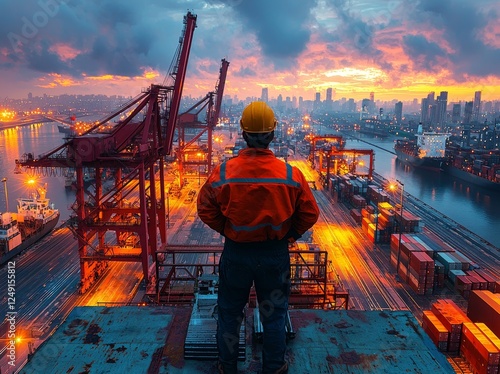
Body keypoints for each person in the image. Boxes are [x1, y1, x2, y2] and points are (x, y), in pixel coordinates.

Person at [197, 101, 319, 374]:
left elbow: (204, 208)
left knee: (230, 314)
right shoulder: (291, 175)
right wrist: (290, 234)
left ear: (243, 133)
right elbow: (310, 213)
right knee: (274, 314)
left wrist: (227, 229)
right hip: (275, 256)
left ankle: (227, 367)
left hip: (237, 254)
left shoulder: (223, 173)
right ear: (274, 134)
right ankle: (274, 367)